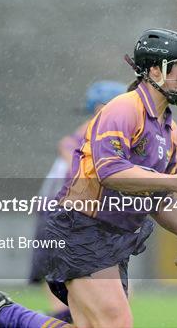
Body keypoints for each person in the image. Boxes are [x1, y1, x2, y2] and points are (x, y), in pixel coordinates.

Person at [0, 28, 177, 328]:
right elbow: (110, 171)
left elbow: (158, 202)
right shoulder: (123, 108)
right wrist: (173, 182)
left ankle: (5, 315)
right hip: (81, 229)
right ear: (155, 70)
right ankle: (6, 316)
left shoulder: (170, 131)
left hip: (114, 239)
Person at [28, 80, 126, 322]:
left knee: (88, 309)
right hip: (63, 213)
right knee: (73, 306)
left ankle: (9, 315)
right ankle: (10, 316)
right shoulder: (97, 126)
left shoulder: (95, 131)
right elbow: (69, 150)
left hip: (63, 211)